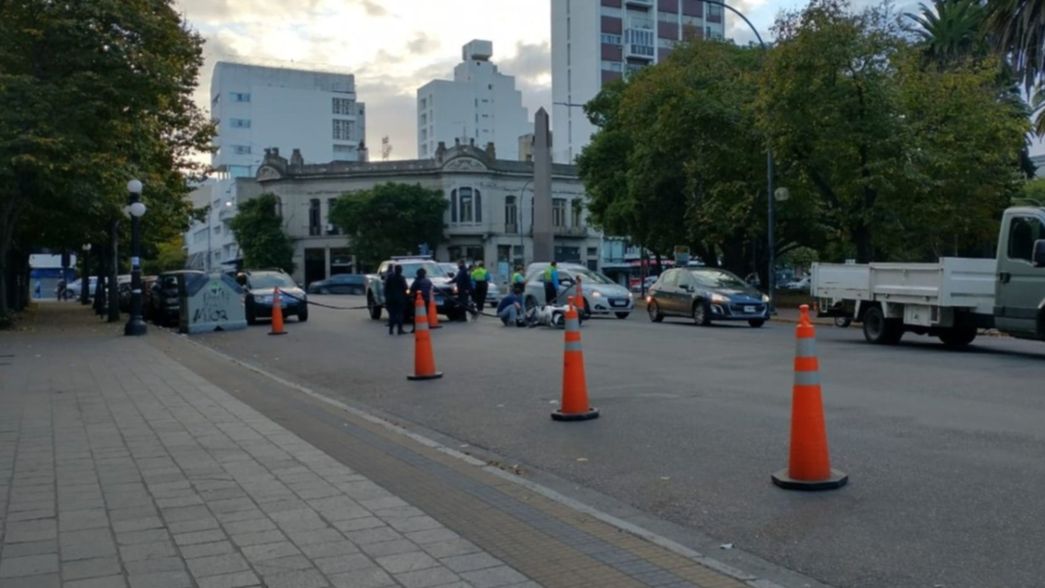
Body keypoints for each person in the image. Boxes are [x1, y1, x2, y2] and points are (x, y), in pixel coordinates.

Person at [384, 264, 408, 335]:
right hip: (400, 299)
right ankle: (399, 330)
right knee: (400, 314)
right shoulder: (402, 278)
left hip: (390, 299)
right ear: (401, 271)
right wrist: (407, 295)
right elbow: (405, 288)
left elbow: (385, 288)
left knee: (392, 315)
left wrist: (387, 297)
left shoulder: (390, 278)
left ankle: (391, 330)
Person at [407, 267, 433, 332]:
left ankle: (415, 328)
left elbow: (412, 289)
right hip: (427, 299)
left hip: (418, 300)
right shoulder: (428, 281)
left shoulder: (417, 281)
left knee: (416, 314)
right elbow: (430, 288)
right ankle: (425, 326)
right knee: (425, 314)